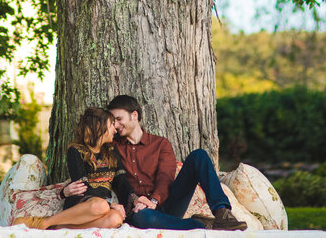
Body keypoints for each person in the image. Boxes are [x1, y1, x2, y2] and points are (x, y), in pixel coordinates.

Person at [63, 95, 247, 231]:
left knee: (199, 156)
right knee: (144, 218)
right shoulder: (112, 148)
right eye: (113, 122)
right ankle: (202, 225)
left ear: (134, 115)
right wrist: (64, 192)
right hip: (138, 210)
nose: (116, 126)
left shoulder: (160, 144)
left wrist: (153, 200)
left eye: (118, 119)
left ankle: (222, 213)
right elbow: (91, 170)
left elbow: (166, 178)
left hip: (168, 204)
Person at [13, 107, 129, 230]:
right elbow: (82, 186)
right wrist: (109, 204)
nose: (115, 129)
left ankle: (57, 226)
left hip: (104, 205)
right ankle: (45, 222)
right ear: (99, 125)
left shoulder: (111, 151)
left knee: (116, 219)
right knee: (100, 206)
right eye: (111, 124)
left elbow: (121, 179)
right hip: (82, 202)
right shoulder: (76, 151)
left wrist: (135, 199)